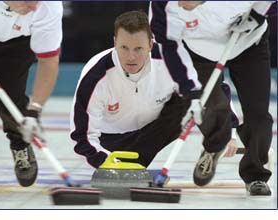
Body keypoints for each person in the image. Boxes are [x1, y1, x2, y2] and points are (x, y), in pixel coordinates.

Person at [70, 10, 230, 176]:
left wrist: (227, 131)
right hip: (113, 141)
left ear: (151, 45)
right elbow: (81, 136)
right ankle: (128, 164)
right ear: (115, 42)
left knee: (193, 94)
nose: (130, 57)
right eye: (124, 47)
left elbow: (214, 84)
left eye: (138, 48)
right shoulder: (96, 75)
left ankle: (212, 150)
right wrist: (103, 161)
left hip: (157, 129)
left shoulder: (171, 60)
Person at [150, 1, 275, 195]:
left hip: (248, 41)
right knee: (210, 107)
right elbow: (168, 43)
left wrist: (256, 17)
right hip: (199, 51)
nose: (180, 4)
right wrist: (189, 90)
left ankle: (255, 175)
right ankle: (215, 146)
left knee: (258, 115)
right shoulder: (163, 5)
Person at [0, 1, 63, 187]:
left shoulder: (48, 6)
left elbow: (48, 61)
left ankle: (20, 144)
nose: (33, 7)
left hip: (18, 45)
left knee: (12, 104)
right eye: (27, 0)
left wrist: (34, 111)